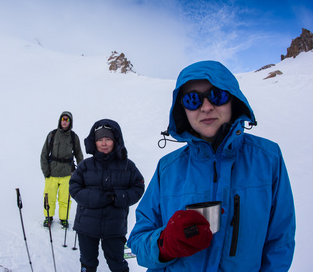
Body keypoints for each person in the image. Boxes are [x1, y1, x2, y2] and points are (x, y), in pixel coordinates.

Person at [127, 61, 296, 271]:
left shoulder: (268, 158)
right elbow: (137, 240)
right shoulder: (168, 168)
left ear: (233, 99)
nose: (206, 107)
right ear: (183, 110)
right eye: (192, 100)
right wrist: (165, 243)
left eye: (218, 95)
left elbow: (280, 242)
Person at [69, 118, 145, 272]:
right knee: (87, 263)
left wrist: (118, 197)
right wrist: (96, 198)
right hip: (87, 225)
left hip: (114, 226)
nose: (104, 143)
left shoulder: (127, 166)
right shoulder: (85, 165)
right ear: (94, 142)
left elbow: (138, 186)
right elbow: (74, 187)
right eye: (100, 140)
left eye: (108, 139)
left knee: (117, 264)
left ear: (115, 141)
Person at [40, 111, 83, 228]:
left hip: (67, 173)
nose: (64, 121)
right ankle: (48, 217)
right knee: (49, 197)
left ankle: (64, 218)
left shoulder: (74, 137)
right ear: (60, 120)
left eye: (67, 119)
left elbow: (79, 155)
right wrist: (46, 171)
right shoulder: (52, 135)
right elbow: (44, 154)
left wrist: (80, 172)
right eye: (63, 119)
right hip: (51, 173)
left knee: (65, 198)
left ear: (70, 122)